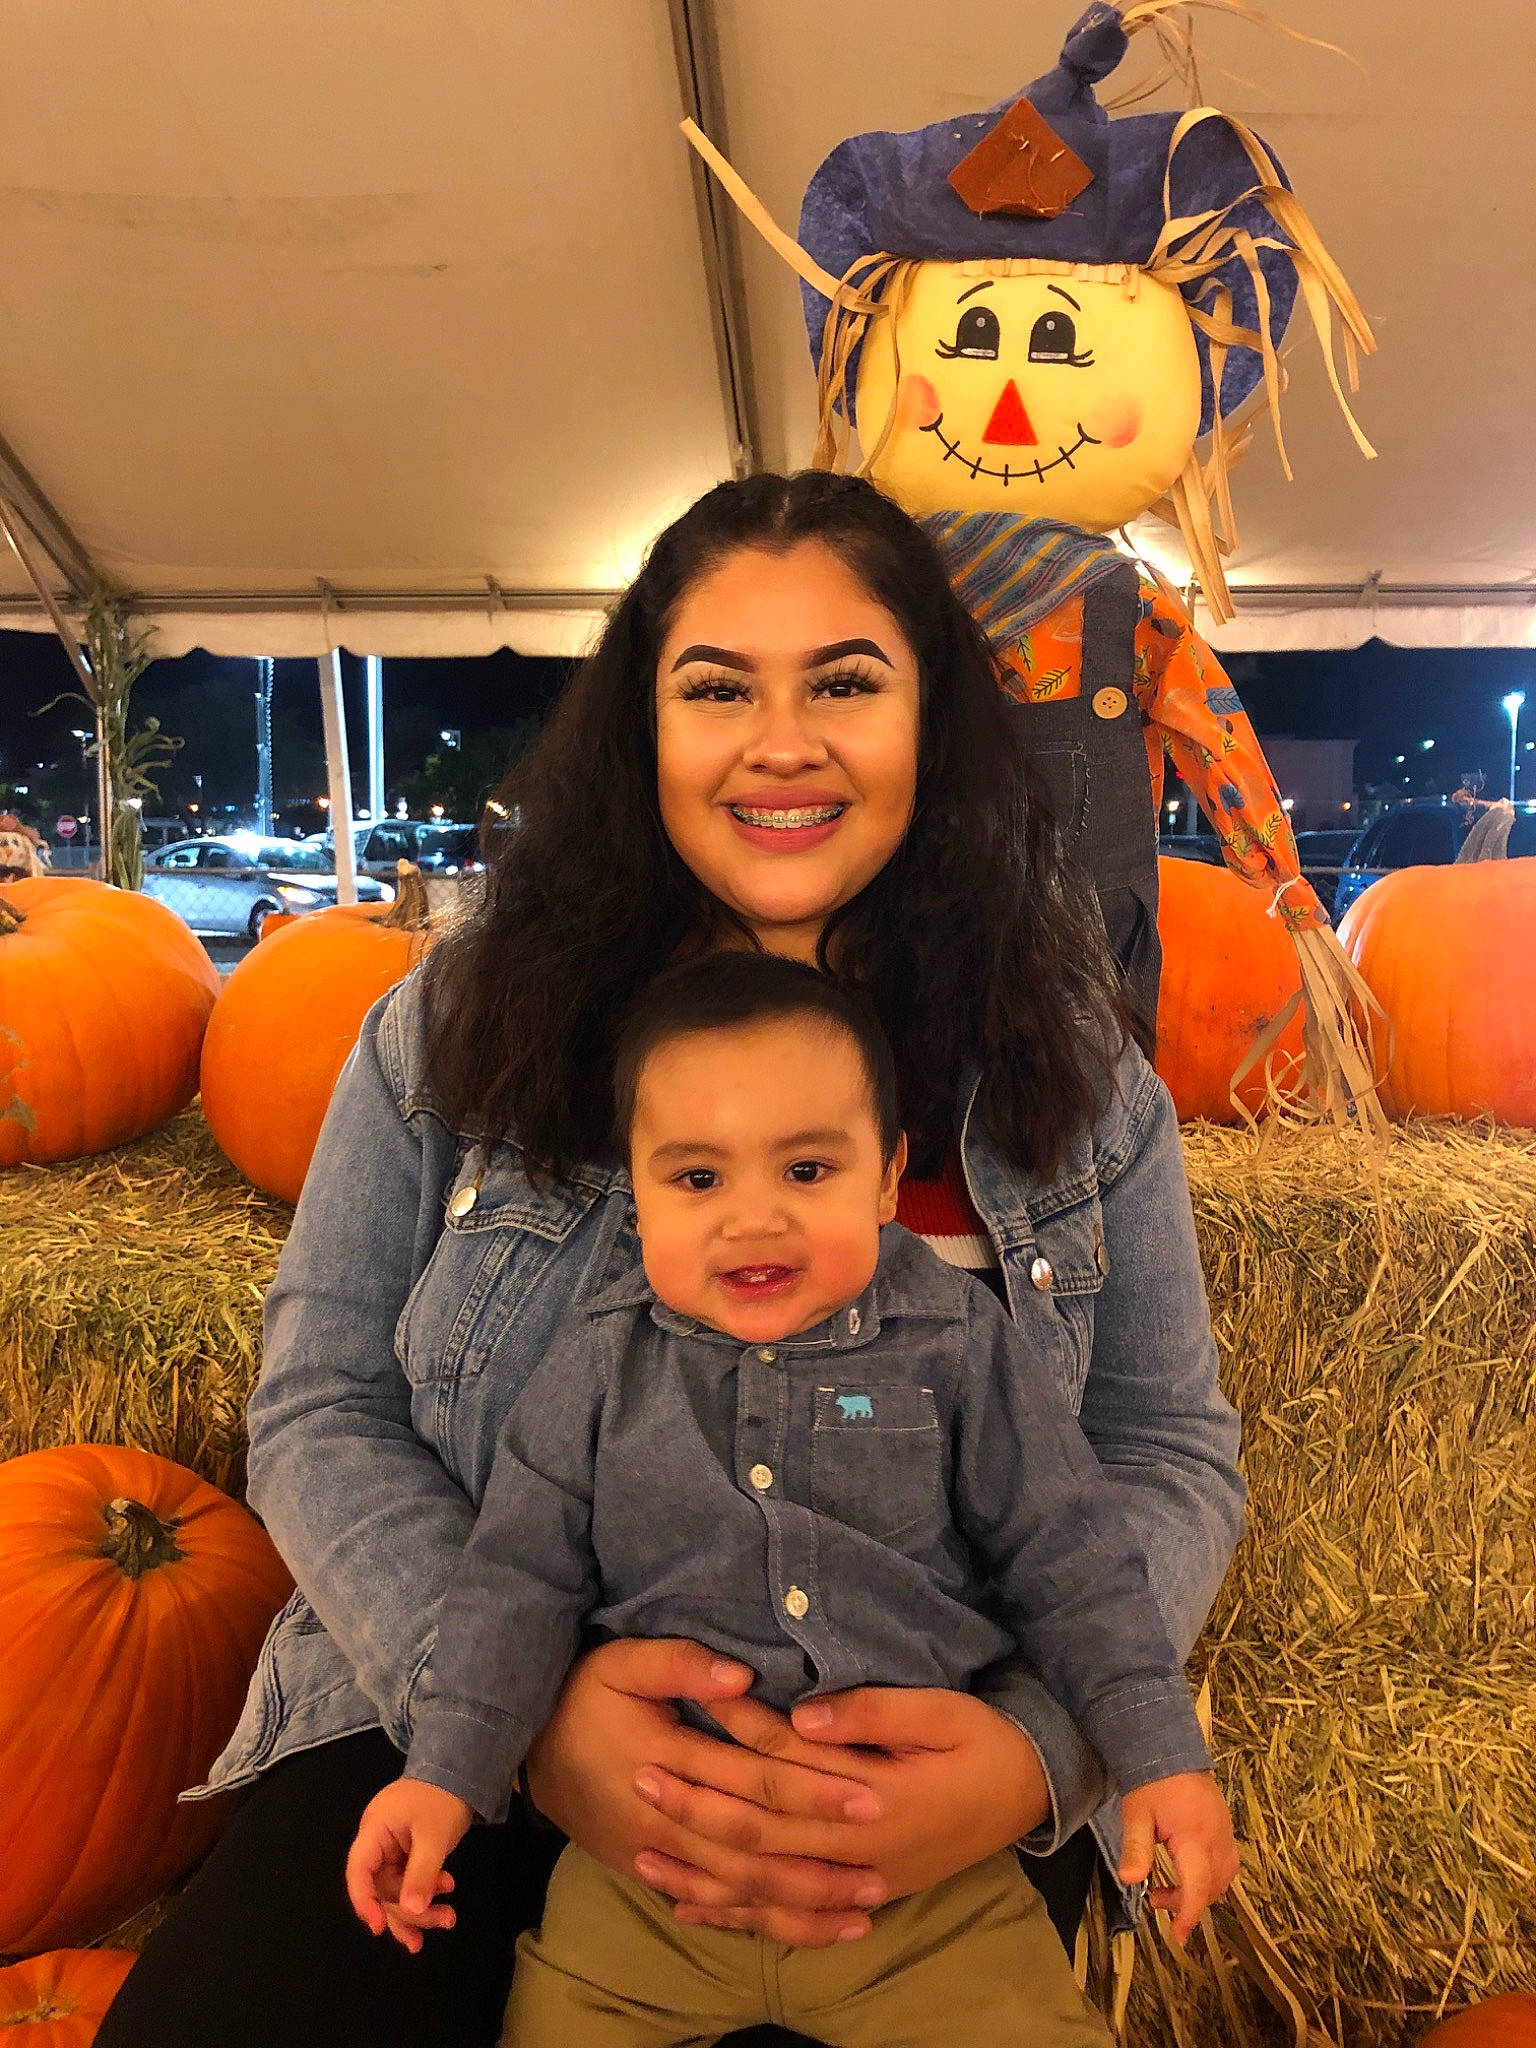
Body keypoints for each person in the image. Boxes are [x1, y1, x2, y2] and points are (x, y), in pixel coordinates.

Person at [97, 470, 1245, 2048]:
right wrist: (515, 1724)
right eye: (720, 690)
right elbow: (323, 1398)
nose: (784, 743)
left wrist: (1041, 1752)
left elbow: (1163, 1449)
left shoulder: (1073, 1074)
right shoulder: (453, 1024)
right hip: (451, 1721)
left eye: (846, 682)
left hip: (910, 1772)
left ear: (936, 724)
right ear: (647, 728)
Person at [345, 950, 1238, 2045]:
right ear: (634, 1191)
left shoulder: (958, 1347)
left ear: (887, 1172)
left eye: (807, 1172)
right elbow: (511, 1583)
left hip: (928, 1902)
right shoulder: (596, 1365)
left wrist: (1156, 1756)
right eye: (698, 1178)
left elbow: (1075, 1556)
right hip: (644, 1892)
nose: (753, 1220)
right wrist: (443, 1777)